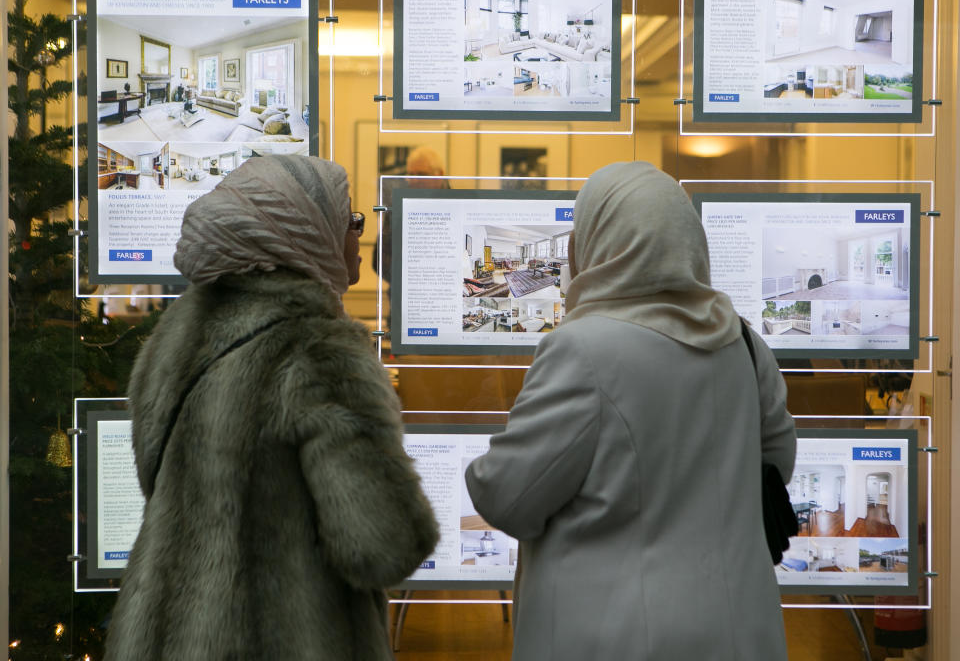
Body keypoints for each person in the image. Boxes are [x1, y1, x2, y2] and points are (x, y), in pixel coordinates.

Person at [104, 155, 438, 661]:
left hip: (164, 633)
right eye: (348, 220)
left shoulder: (174, 338)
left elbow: (159, 484)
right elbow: (383, 545)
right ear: (301, 229)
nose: (358, 236)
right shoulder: (319, 348)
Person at [465, 161, 796, 661]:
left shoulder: (581, 349)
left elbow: (508, 497)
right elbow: (776, 464)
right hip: (740, 626)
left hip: (612, 631)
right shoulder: (744, 341)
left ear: (597, 245)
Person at [372, 145, 449, 284]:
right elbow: (379, 259)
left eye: (421, 174)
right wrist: (407, 280)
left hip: (446, 293)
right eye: (411, 174)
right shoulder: (397, 209)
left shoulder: (457, 206)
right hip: (405, 295)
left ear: (440, 175)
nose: (414, 180)